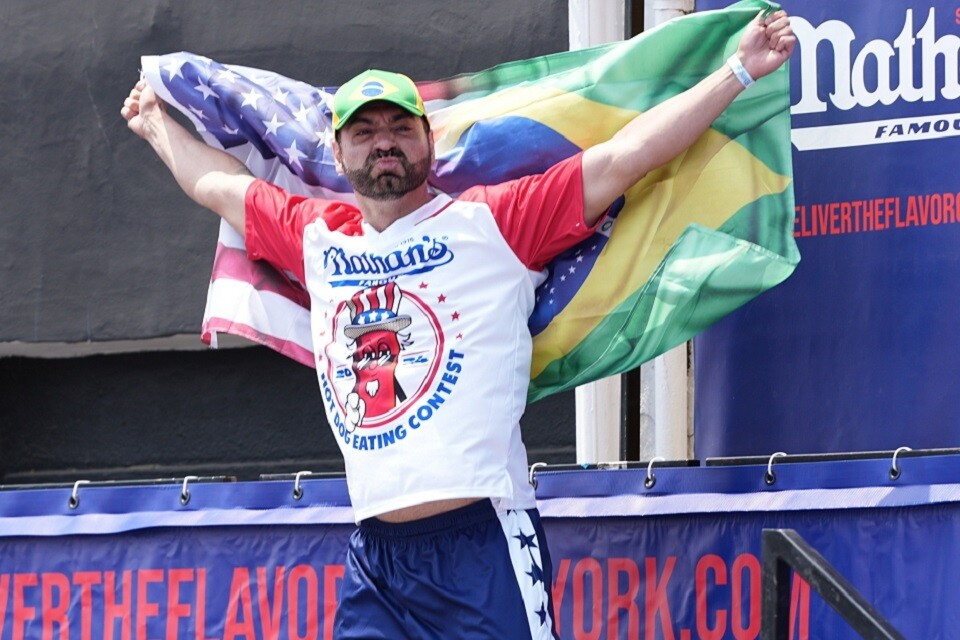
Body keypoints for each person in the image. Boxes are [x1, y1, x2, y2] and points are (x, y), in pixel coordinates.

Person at [122, 10, 794, 639]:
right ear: (340, 149)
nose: (384, 142)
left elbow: (625, 158)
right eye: (365, 131)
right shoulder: (317, 239)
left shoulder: (493, 222)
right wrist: (157, 124)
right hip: (376, 555)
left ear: (426, 139)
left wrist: (737, 71)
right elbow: (218, 186)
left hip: (483, 539)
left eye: (399, 128)